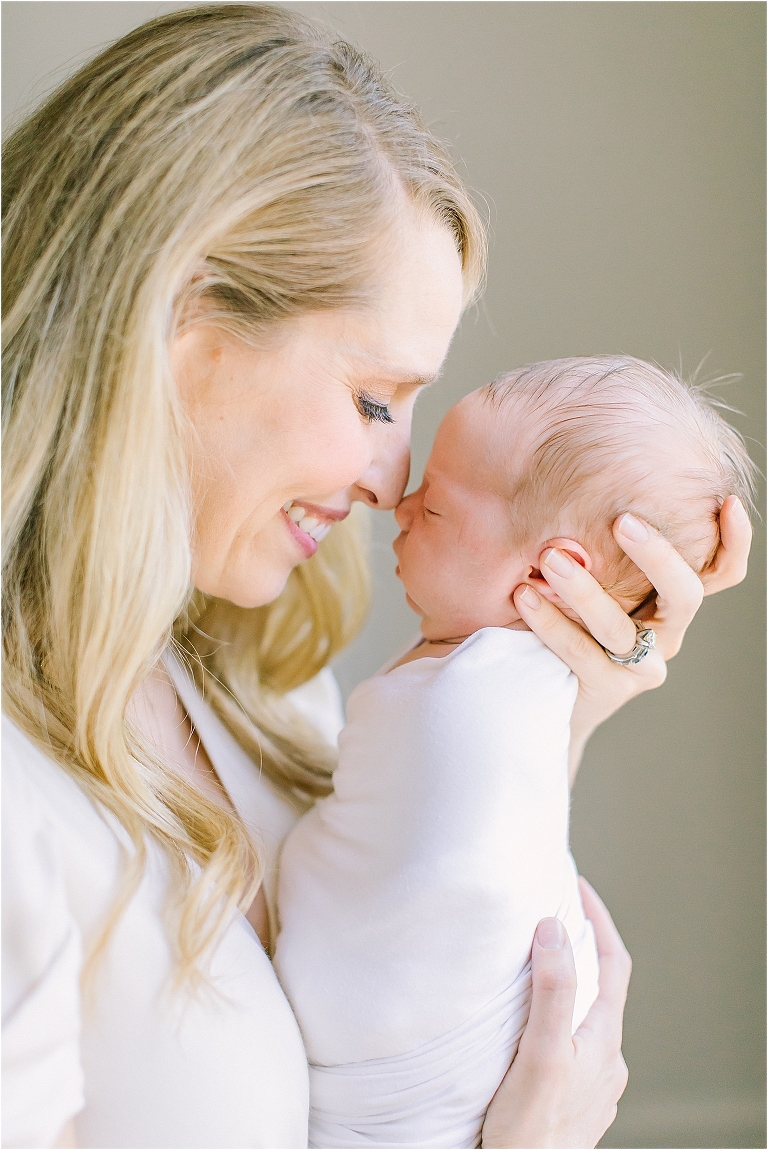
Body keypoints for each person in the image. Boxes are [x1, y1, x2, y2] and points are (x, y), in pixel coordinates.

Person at [0, 7, 752, 1149]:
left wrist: (554, 694)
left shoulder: (263, 684)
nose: (392, 476)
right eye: (371, 399)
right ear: (179, 320)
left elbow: (426, 941)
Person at [274, 355, 756, 1149]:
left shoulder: (485, 699)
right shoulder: (491, 687)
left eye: (436, 506)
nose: (399, 502)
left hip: (440, 1074)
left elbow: (477, 884)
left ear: (553, 570)